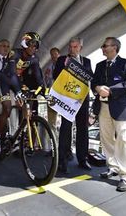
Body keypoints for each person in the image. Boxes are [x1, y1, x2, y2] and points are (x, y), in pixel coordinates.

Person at [91, 37, 126, 192]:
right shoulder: (99, 66)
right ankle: (113, 167)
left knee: (123, 140)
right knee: (106, 138)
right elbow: (93, 83)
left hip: (120, 108)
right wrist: (98, 89)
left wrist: (110, 90)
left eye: (105, 45)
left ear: (114, 47)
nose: (102, 48)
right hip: (102, 107)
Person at [0, 32, 45, 153]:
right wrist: (18, 92)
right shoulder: (14, 53)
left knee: (27, 106)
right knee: (7, 108)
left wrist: (43, 89)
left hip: (17, 80)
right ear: (24, 44)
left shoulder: (34, 59)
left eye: (36, 46)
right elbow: (11, 73)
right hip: (5, 80)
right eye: (31, 45)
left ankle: (17, 137)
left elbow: (38, 76)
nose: (33, 48)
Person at [53, 37, 93, 173]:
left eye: (75, 47)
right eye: (70, 47)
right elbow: (55, 76)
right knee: (65, 129)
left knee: (83, 129)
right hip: (68, 100)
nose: (72, 49)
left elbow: (90, 79)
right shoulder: (61, 59)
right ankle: (62, 161)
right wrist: (64, 66)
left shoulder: (87, 61)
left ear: (80, 48)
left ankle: (83, 159)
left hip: (82, 100)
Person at [44, 47, 60, 135]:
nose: (53, 56)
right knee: (51, 120)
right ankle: (53, 140)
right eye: (52, 54)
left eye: (55, 54)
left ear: (59, 54)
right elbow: (46, 82)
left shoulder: (64, 65)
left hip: (62, 94)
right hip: (51, 93)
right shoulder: (49, 67)